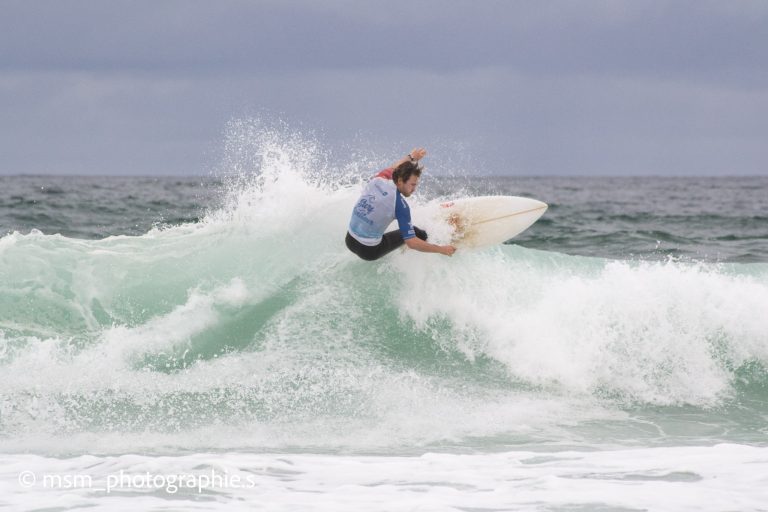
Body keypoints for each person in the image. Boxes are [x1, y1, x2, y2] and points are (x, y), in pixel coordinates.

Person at [346, 147, 456, 261]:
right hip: (370, 251)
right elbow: (412, 242)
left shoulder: (379, 179)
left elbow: (395, 167)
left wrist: (411, 157)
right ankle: (438, 242)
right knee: (417, 233)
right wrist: (441, 249)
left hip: (349, 239)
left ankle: (400, 246)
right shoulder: (400, 205)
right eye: (412, 185)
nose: (414, 189)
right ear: (399, 181)